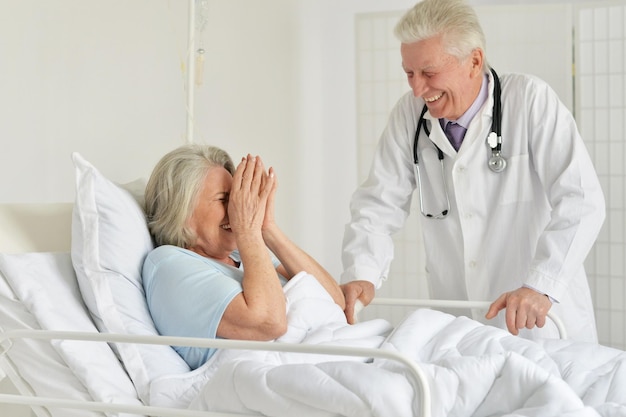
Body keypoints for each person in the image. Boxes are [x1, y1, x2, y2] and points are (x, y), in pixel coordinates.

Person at [341, 0, 605, 342]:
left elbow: (582, 199)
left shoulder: (530, 101)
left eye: (429, 72)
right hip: (460, 328)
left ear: (474, 61)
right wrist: (363, 272)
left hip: (539, 324)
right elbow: (378, 203)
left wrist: (541, 285)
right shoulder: (410, 116)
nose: (418, 89)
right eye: (409, 73)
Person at [142, 144, 345, 369]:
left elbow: (336, 301)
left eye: (237, 198)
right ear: (181, 210)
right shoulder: (169, 265)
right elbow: (269, 323)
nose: (237, 208)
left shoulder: (240, 255)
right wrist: (247, 230)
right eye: (224, 199)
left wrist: (267, 228)